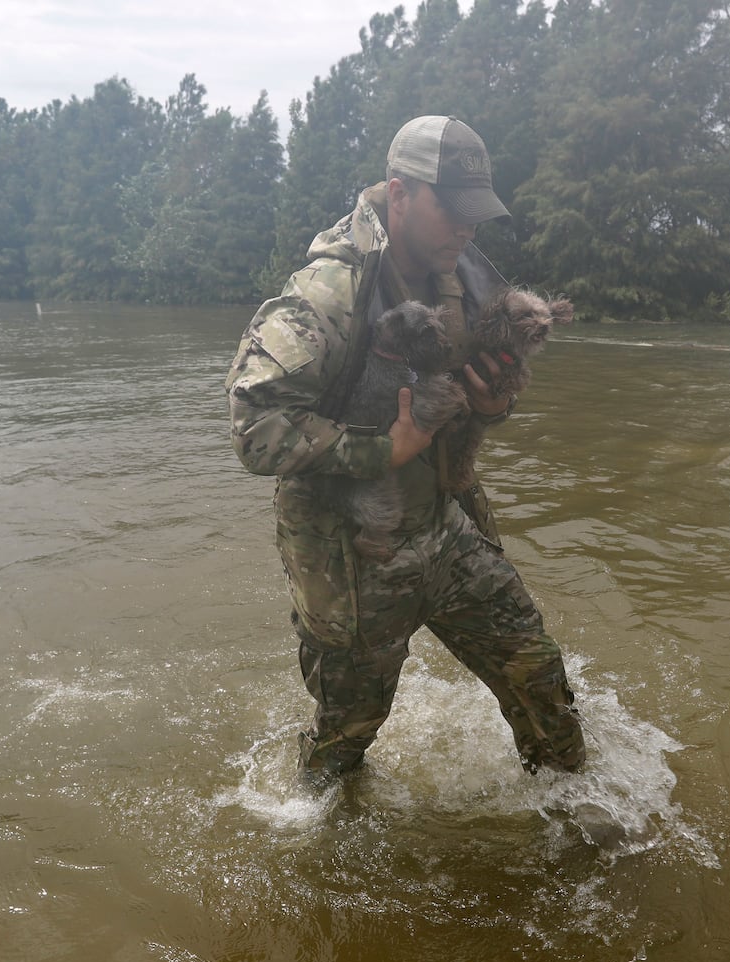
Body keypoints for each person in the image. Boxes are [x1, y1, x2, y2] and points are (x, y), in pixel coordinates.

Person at [226, 116, 586, 782]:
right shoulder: (326, 296)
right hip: (351, 553)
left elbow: (495, 388)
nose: (467, 228)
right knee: (344, 742)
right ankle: (312, 843)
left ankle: (577, 824)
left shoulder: (465, 279)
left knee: (539, 679)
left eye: (476, 215)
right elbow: (254, 428)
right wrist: (380, 449)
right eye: (453, 211)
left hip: (443, 528)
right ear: (400, 194)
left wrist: (490, 404)